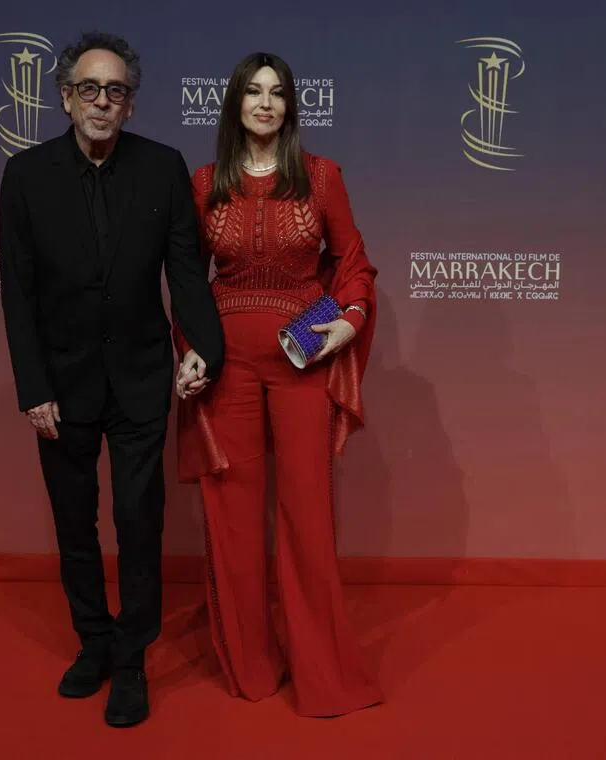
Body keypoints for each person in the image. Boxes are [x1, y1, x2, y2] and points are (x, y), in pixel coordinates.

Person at [0, 31, 223, 728]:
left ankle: (131, 660)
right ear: (65, 98)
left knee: (138, 520)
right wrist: (33, 386)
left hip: (140, 377)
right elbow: (18, 292)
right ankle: (92, 641)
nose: (102, 102)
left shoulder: (162, 168)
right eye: (89, 89)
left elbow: (185, 270)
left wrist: (203, 345)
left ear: (131, 104)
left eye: (116, 91)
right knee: (74, 523)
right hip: (60, 386)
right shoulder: (25, 176)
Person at [172, 51, 382, 717]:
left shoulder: (321, 176)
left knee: (306, 516)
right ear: (235, 103)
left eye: (277, 93)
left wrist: (349, 319)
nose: (265, 103)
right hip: (226, 367)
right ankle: (252, 665)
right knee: (233, 518)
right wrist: (189, 350)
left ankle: (322, 672)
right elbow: (187, 280)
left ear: (291, 106)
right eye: (253, 92)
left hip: (303, 361)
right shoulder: (205, 182)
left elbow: (353, 264)